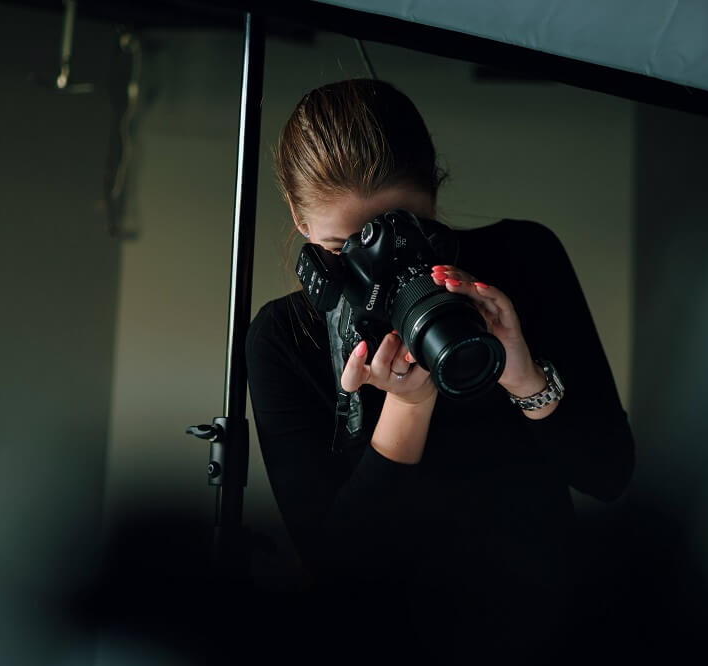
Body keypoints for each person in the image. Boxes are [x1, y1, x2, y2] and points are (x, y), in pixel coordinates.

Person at [245, 78, 634, 664]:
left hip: (549, 630)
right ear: (301, 222)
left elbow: (608, 474)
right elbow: (338, 569)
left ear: (434, 196)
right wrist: (406, 407)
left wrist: (526, 378)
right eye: (343, 246)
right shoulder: (283, 338)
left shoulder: (520, 261)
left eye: (406, 235)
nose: (381, 268)